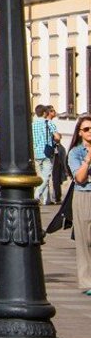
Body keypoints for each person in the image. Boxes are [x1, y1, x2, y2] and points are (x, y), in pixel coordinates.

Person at [66, 115, 91, 294]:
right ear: (80, 133)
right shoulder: (76, 152)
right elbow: (80, 178)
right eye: (86, 129)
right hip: (84, 196)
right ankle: (87, 282)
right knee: (85, 239)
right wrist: (88, 160)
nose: (90, 132)